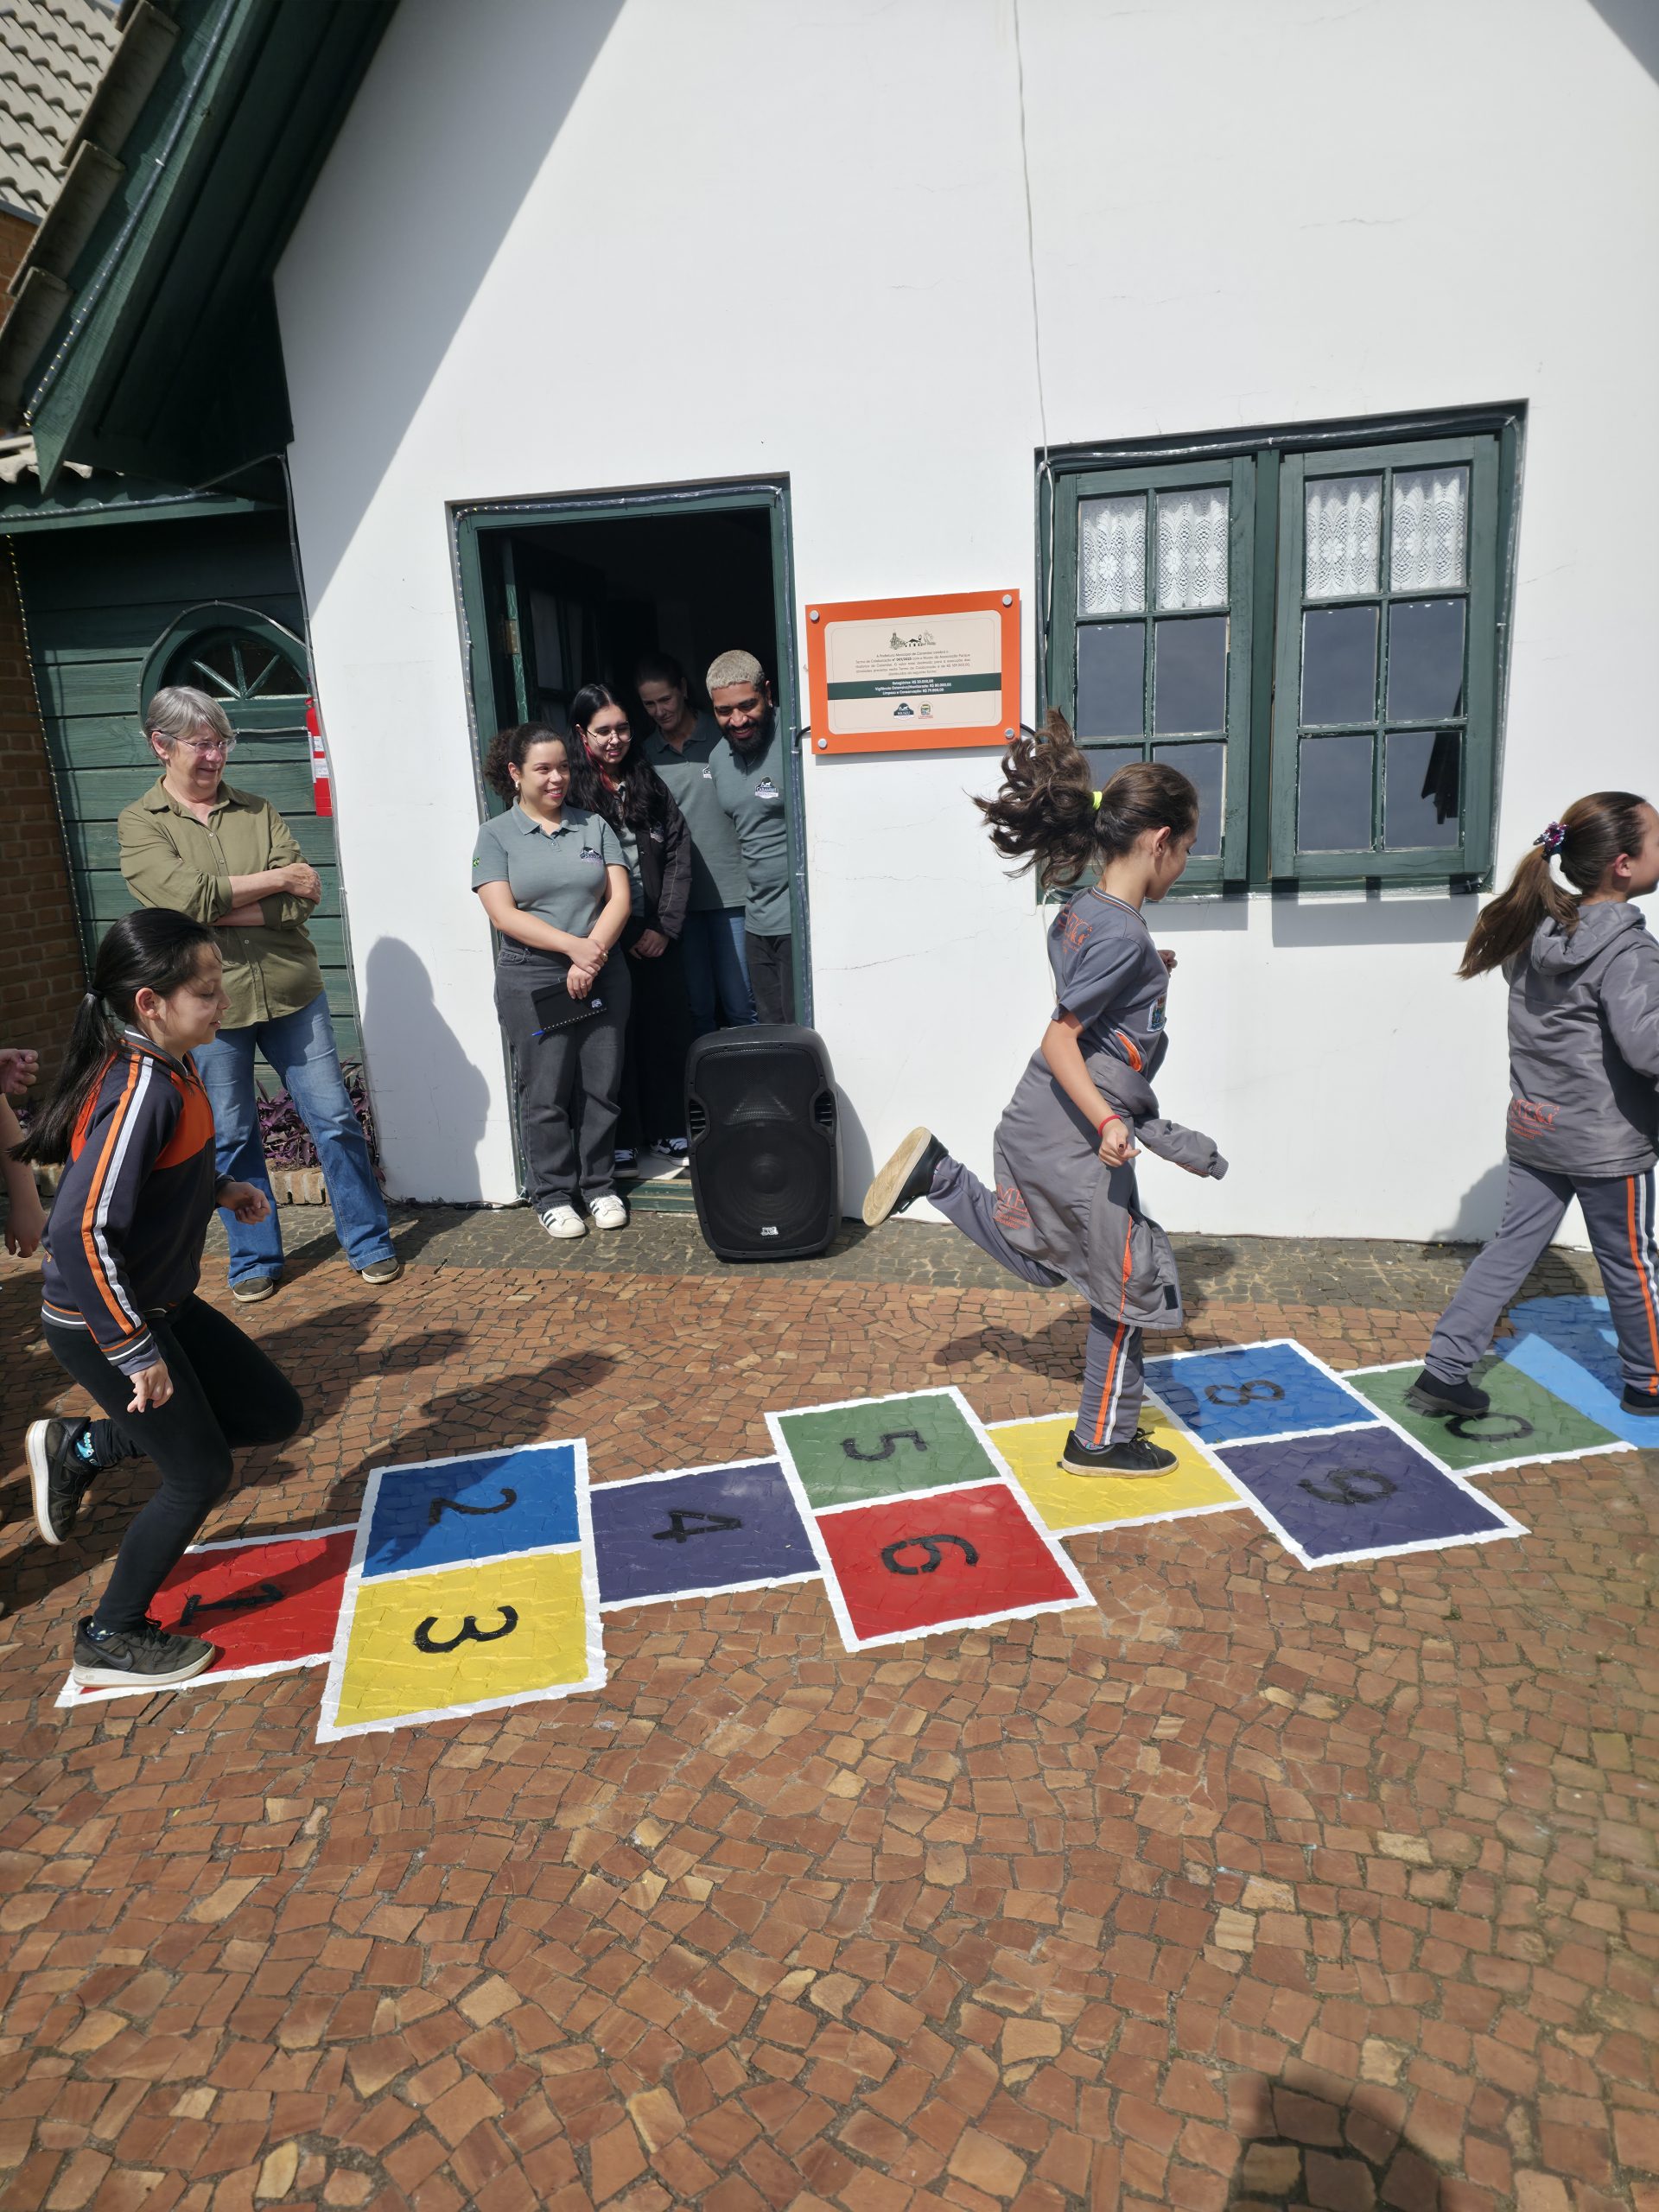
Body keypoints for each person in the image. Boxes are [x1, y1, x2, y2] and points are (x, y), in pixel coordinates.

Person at [861, 715, 1227, 1476]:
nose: (1186, 865)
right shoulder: (1122, 935)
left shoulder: (1083, 913)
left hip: (1039, 1118)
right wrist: (1107, 1121)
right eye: (1187, 850)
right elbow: (1063, 1036)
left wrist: (1145, 972)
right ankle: (1099, 1439)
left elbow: (1093, 991)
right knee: (1127, 1281)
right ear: (1158, 840)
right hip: (1076, 1130)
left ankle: (939, 1176)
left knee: (1042, 1259)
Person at [15, 911, 303, 1688]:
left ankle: (82, 1447)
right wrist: (133, 1349)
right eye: (206, 993)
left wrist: (216, 1188)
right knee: (198, 1473)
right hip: (107, 1323)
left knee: (272, 1414)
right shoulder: (141, 1086)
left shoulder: (169, 1068)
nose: (222, 1005)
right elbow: (77, 1233)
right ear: (150, 1003)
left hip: (165, 1303)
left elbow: (142, 1181)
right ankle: (110, 1635)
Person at [118, 686, 399, 1304]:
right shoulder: (141, 823)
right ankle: (253, 1258)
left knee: (334, 1120)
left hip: (293, 992)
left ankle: (370, 1241)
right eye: (202, 744)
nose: (216, 756)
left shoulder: (257, 810)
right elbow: (179, 903)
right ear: (160, 745)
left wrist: (222, 906)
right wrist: (272, 881)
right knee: (232, 1136)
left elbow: (305, 898)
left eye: (222, 742)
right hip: (207, 1011)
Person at [1407, 793, 1659, 1420]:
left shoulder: (1534, 931)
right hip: (1607, 1142)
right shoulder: (1628, 951)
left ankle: (1444, 1371)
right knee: (1631, 1261)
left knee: (1509, 1249)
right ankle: (1649, 1381)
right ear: (1623, 865)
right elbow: (1648, 1050)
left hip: (1536, 1129)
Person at [473, 724, 633, 1238]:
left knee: (601, 1085)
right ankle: (554, 1194)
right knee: (546, 1088)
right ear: (516, 774)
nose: (557, 778)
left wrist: (591, 958)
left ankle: (599, 1185)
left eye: (563, 766)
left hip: (601, 969)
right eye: (543, 769)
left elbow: (620, 899)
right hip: (535, 975)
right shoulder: (496, 835)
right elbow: (503, 914)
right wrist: (572, 949)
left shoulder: (594, 826)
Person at [567, 683, 693, 1161]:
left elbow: (679, 853)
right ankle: (621, 1138)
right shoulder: (573, 794)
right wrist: (633, 931)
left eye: (622, 728)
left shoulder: (648, 782)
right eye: (603, 732)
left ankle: (666, 1126)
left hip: (659, 933)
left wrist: (664, 927)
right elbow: (577, 875)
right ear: (583, 735)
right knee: (611, 1039)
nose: (615, 740)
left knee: (664, 1032)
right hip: (603, 939)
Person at [636, 652, 755, 1039]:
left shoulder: (725, 733)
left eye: (666, 699)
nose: (659, 711)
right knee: (696, 1010)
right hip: (679, 902)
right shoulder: (644, 755)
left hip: (733, 893)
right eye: (649, 704)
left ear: (684, 691)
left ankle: (754, 1090)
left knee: (742, 1005)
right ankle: (707, 1096)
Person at [706, 649, 795, 1023]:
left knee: (806, 1031)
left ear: (768, 694)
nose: (738, 720)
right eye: (724, 711)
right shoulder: (717, 759)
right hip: (757, 922)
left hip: (800, 919)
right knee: (774, 1035)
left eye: (748, 705)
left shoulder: (796, 740)